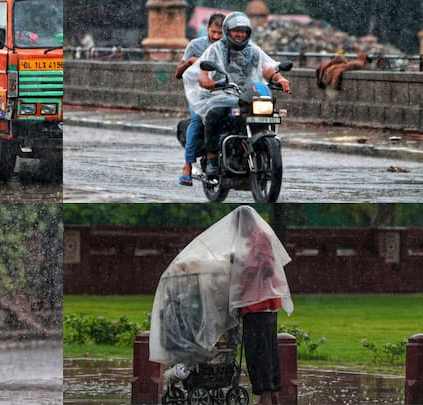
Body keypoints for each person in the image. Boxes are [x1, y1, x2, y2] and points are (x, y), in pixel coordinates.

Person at [184, 12, 291, 177]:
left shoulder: (252, 50)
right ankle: (212, 160)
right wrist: (206, 81)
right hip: (222, 93)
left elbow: (266, 67)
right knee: (214, 115)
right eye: (236, 30)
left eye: (244, 31)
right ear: (228, 30)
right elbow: (203, 70)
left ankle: (265, 156)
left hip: (248, 94)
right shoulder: (216, 48)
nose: (240, 34)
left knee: (268, 111)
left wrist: (280, 78)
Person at [229, 206, 293, 405]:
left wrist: (240, 265)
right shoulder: (251, 239)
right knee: (268, 350)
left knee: (260, 352)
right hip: (255, 304)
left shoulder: (260, 237)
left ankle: (265, 396)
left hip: (260, 304)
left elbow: (266, 267)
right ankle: (272, 394)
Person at [174, 13, 225, 186]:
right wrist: (190, 62)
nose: (216, 36)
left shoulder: (231, 48)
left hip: (223, 92)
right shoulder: (195, 45)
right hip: (198, 94)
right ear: (208, 29)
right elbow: (178, 74)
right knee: (197, 119)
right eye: (213, 32)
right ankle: (187, 165)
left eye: (221, 33)